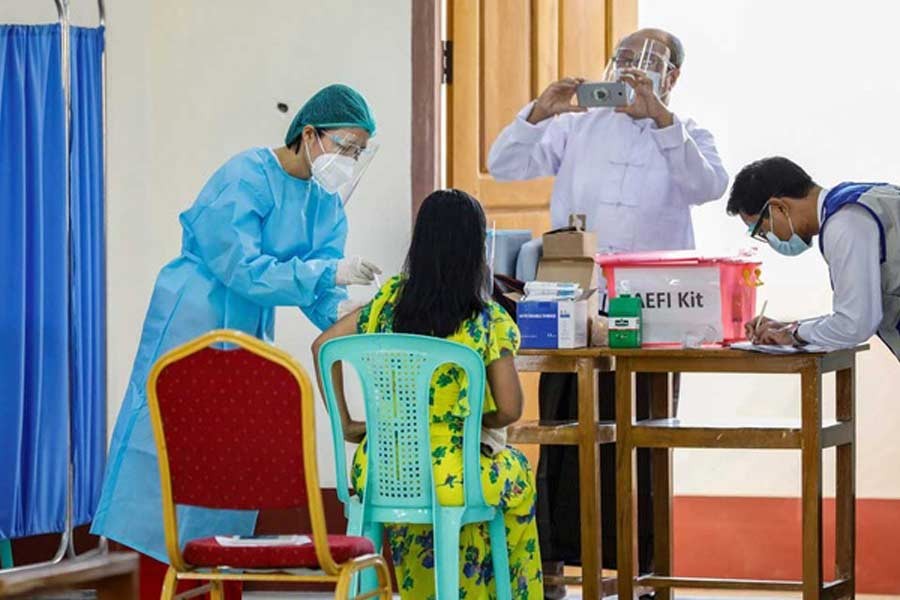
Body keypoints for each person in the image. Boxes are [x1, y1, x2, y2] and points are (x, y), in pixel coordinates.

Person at [91, 84, 382, 594]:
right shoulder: (246, 176)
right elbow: (241, 269)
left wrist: (355, 316)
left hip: (246, 332)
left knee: (225, 462)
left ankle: (220, 581)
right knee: (167, 453)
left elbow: (315, 293)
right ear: (309, 134)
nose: (349, 160)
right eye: (345, 146)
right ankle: (151, 584)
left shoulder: (327, 206)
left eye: (359, 152)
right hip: (192, 319)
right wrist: (326, 272)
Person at [488, 27, 728, 596]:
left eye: (647, 62)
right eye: (621, 57)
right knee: (561, 437)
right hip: (573, 300)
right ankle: (550, 569)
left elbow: (708, 185)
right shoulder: (575, 127)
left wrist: (661, 119)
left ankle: (637, 574)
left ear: (671, 78)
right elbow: (502, 164)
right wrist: (540, 111)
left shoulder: (687, 133)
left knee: (641, 441)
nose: (629, 69)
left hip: (653, 311)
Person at [312, 189, 543, 599]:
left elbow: (323, 347)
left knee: (429, 504)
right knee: (515, 476)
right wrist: (471, 422)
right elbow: (510, 409)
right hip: (455, 472)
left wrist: (345, 423)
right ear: (476, 250)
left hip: (383, 470)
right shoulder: (486, 318)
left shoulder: (386, 304)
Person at [727, 156, 899, 359]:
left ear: (778, 207)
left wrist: (792, 333)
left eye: (763, 230)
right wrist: (792, 329)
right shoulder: (861, 199)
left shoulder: (844, 223)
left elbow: (855, 324)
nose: (770, 239)